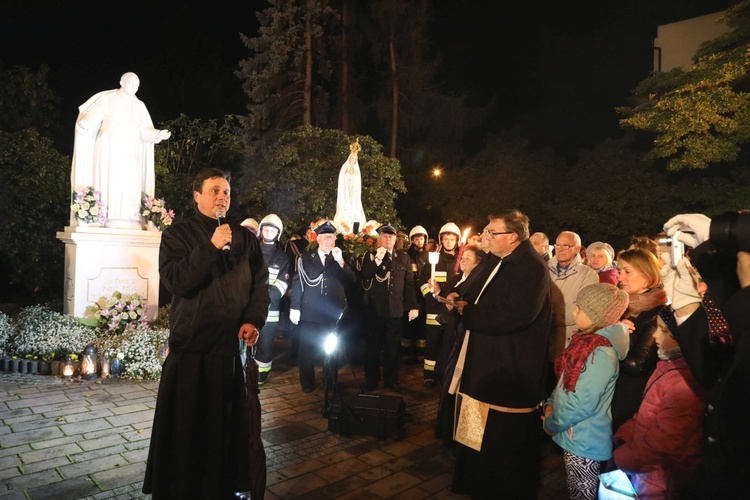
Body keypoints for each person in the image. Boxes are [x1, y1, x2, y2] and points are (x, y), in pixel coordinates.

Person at [143, 168, 270, 499]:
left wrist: (254, 320)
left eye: (226, 191)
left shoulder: (244, 238)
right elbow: (177, 281)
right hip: (191, 351)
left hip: (228, 351)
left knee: (224, 430)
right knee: (188, 431)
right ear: (197, 196)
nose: (222, 197)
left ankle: (222, 487)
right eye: (214, 190)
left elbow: (259, 284)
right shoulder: (178, 234)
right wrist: (211, 247)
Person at [450, 210, 553, 499]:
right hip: (481, 361)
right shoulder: (496, 259)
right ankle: (471, 479)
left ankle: (495, 488)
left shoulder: (531, 268)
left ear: (513, 236)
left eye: (492, 233)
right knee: (472, 419)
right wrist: (459, 299)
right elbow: (472, 289)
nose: (485, 237)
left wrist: (469, 312)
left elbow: (516, 315)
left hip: (506, 366)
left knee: (499, 438)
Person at [543, 283, 630, 500]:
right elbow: (565, 380)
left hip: (584, 441)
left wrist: (551, 422)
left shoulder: (600, 353)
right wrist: (551, 402)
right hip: (575, 434)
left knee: (582, 494)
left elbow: (581, 403)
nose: (574, 312)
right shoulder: (587, 344)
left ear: (596, 315)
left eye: (579, 308)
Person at [612, 308, 709, 499]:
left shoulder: (684, 383)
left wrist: (621, 457)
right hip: (646, 472)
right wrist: (627, 432)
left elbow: (662, 446)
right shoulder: (668, 366)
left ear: (685, 338)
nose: (655, 334)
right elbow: (648, 413)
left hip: (662, 482)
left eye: (664, 331)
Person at [71, 72, 171, 229]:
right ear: (122, 82)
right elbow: (94, 113)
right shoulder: (108, 98)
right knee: (109, 180)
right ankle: (102, 217)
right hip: (109, 148)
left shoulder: (140, 106)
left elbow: (145, 130)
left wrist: (158, 134)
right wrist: (86, 122)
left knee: (130, 183)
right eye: (131, 82)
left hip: (131, 152)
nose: (134, 86)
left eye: (137, 84)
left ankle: (130, 219)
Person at [289, 221, 356, 393]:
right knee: (306, 351)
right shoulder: (305, 258)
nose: (329, 240)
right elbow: (298, 284)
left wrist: (340, 260)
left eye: (332, 237)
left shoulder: (341, 257)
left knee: (332, 351)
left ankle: (330, 382)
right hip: (310, 313)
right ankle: (307, 383)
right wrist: (295, 306)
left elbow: (352, 280)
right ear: (318, 239)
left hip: (333, 314)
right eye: (326, 237)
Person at [431, 244, 486, 447]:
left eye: (468, 258)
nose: (462, 261)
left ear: (478, 264)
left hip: (462, 335)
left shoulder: (476, 282)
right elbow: (446, 296)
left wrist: (457, 300)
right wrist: (440, 293)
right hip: (451, 333)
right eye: (462, 258)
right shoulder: (457, 279)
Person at [611, 248, 668, 432]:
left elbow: (638, 364)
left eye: (627, 271)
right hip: (614, 394)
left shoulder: (656, 313)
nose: (620, 277)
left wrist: (610, 338)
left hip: (633, 399)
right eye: (619, 271)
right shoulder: (622, 306)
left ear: (647, 275)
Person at [360, 223, 419, 392]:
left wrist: (413, 306)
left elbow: (408, 284)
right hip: (374, 311)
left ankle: (391, 380)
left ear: (395, 239)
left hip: (394, 310)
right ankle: (371, 380)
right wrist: (378, 259)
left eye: (391, 236)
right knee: (372, 348)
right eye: (385, 236)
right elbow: (365, 274)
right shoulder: (370, 255)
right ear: (379, 239)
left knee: (393, 349)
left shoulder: (404, 257)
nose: (388, 239)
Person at [419, 222, 461, 387]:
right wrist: (433, 297)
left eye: (452, 239)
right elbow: (423, 283)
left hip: (453, 311)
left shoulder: (461, 261)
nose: (449, 242)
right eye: (446, 239)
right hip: (435, 311)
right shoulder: (433, 261)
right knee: (433, 344)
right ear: (441, 240)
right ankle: (429, 375)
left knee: (450, 345)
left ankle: (446, 374)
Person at [547, 231, 599, 359]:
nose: (560, 249)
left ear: (577, 248)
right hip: (542, 338)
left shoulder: (589, 275)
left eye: (566, 246)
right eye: (557, 245)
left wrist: (545, 317)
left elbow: (583, 310)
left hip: (567, 341)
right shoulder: (543, 269)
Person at [255, 214, 291, 385]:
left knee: (266, 343)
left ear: (278, 234)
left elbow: (281, 285)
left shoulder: (282, 258)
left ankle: (262, 373)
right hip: (247, 307)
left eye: (272, 230)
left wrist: (260, 297)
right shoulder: (251, 252)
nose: (268, 232)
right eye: (266, 229)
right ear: (261, 231)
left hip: (270, 310)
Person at [402, 225, 429, 364]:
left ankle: (420, 355)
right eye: (417, 238)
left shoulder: (430, 256)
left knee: (421, 328)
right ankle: (406, 355)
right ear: (412, 240)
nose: (420, 241)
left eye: (422, 238)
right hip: (410, 296)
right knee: (408, 327)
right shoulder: (406, 256)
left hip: (424, 296)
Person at [333, 138, 366, 230]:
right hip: (346, 190)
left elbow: (358, 183)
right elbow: (342, 179)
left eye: (355, 158)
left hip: (353, 192)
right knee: (346, 204)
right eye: (352, 158)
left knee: (354, 205)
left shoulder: (357, 171)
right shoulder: (344, 168)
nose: (353, 159)